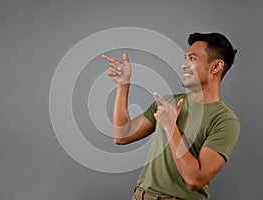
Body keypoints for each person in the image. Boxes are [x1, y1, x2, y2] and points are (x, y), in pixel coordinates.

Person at [102, 32, 240, 200]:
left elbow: (195, 180)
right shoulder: (168, 102)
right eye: (185, 58)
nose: (184, 65)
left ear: (216, 67)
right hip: (140, 196)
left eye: (192, 58)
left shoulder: (225, 121)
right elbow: (122, 136)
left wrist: (170, 127)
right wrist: (123, 85)